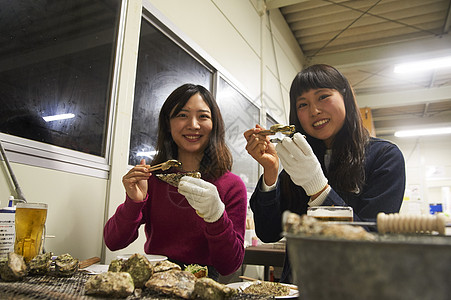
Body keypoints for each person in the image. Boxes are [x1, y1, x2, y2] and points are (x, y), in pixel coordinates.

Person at [244, 64, 406, 283]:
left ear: (345, 97)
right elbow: (268, 232)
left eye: (323, 97)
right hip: (298, 286)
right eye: (303, 104)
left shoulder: (384, 157)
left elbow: (370, 242)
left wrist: (318, 189)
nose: (314, 111)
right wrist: (271, 173)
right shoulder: (298, 162)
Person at [104, 83, 247, 281]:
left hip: (203, 284)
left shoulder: (231, 185)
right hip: (154, 278)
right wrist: (133, 203)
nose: (193, 125)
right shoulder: (153, 179)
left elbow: (229, 265)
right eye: (182, 115)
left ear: (215, 125)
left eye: (203, 116)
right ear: (168, 124)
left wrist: (216, 216)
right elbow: (113, 242)